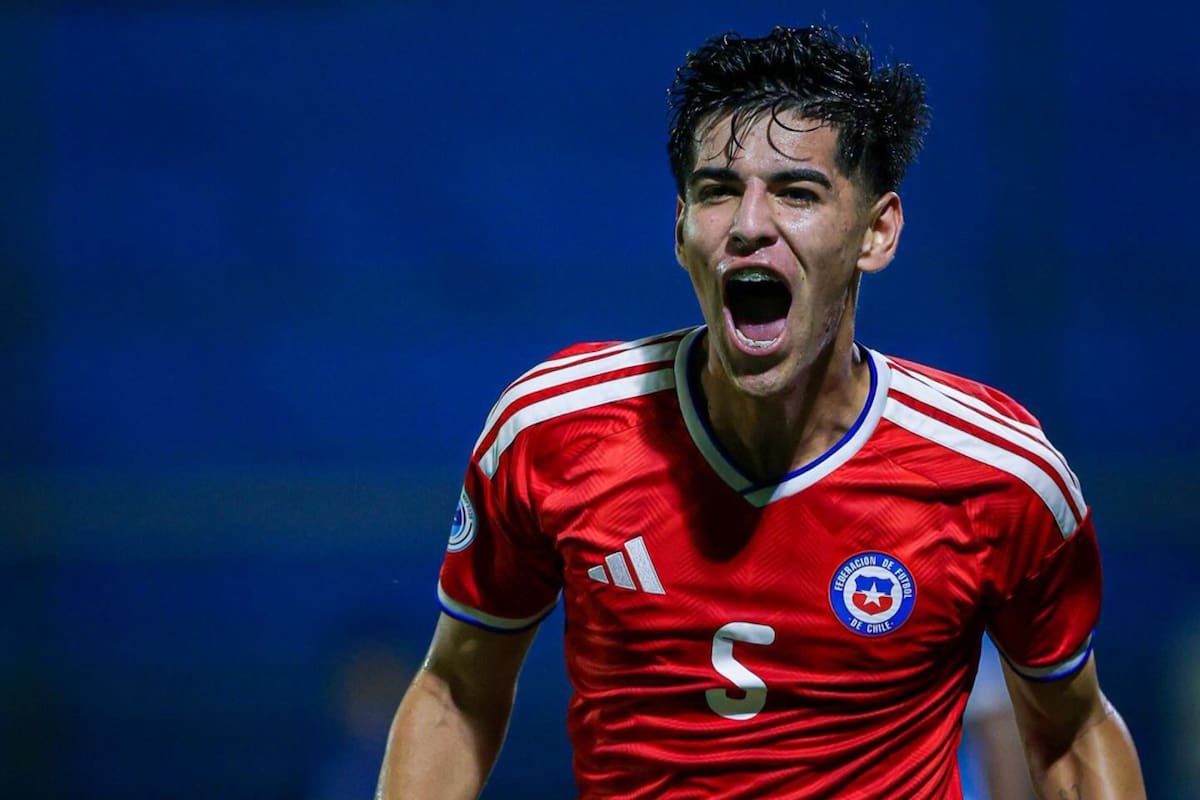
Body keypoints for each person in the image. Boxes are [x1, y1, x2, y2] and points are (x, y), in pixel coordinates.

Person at [376, 25, 1145, 799]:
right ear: (681, 228)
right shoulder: (551, 435)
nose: (748, 223)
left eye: (796, 191)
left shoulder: (999, 476)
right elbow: (454, 695)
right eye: (716, 190)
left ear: (876, 231)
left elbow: (1073, 730)